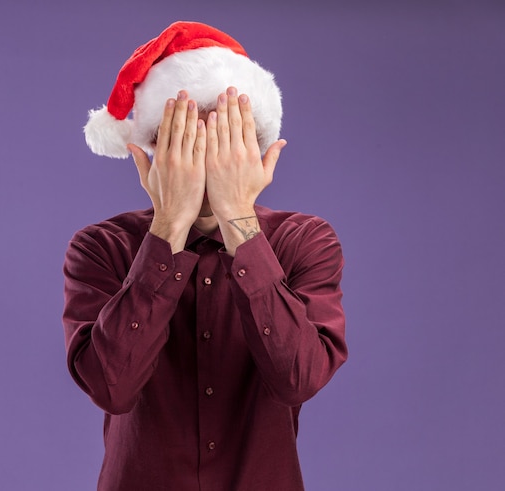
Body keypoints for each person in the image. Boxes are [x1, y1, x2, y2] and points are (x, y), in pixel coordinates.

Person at [62, 21, 347, 491]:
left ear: (258, 152)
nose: (208, 160)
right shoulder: (101, 247)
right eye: (187, 142)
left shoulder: (304, 240)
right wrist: (169, 225)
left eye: (226, 141)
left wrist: (238, 217)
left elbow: (298, 379)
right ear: (151, 152)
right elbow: (111, 387)